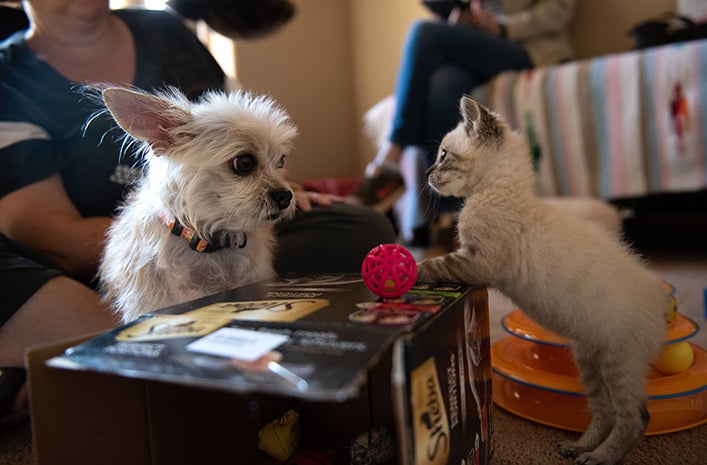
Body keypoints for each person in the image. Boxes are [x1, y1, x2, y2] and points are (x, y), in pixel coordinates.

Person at [0, 0, 395, 422]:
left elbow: (245, 131)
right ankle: (90, 334)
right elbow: (38, 229)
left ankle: (164, 330)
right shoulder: (11, 76)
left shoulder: (165, 30)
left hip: (231, 226)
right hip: (96, 257)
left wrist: (283, 187)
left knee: (362, 226)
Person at [349, 0, 577, 220]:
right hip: (478, 46)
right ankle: (451, 214)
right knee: (443, 82)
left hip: (527, 48)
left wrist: (502, 27)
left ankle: (390, 159)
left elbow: (559, 10)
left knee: (424, 32)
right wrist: (460, 22)